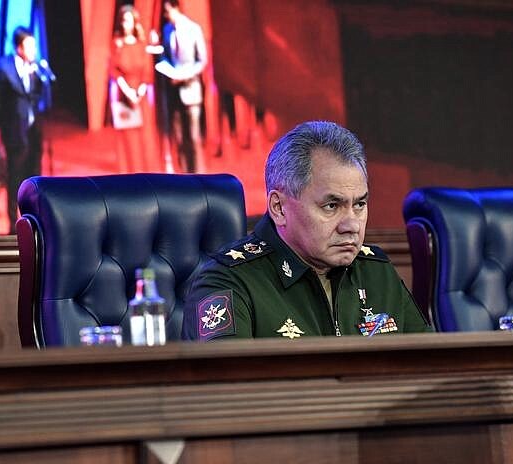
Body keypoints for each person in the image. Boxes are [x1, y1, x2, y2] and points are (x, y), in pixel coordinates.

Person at [182, 120, 432, 340]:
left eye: (359, 204)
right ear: (279, 208)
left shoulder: (376, 272)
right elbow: (229, 389)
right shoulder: (228, 281)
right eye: (332, 206)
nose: (352, 225)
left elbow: (429, 369)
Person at [0, 26, 46, 234]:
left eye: (34, 46)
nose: (33, 51)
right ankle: (12, 223)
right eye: (29, 46)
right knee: (16, 177)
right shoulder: (4, 68)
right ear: (18, 48)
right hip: (15, 132)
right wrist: (6, 130)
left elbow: (38, 96)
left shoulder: (35, 67)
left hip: (34, 129)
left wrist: (39, 78)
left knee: (34, 176)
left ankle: (35, 219)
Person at [109, 5, 160, 173]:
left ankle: (146, 177)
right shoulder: (117, 44)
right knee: (128, 140)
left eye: (129, 20)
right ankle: (130, 176)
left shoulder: (141, 44)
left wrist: (139, 92)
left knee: (144, 139)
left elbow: (147, 72)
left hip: (141, 97)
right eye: (123, 21)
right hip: (124, 96)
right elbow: (114, 71)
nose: (126, 24)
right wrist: (128, 91)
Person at [158, 0, 206, 174]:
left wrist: (185, 76)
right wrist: (167, 69)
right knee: (179, 137)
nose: (166, 16)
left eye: (167, 11)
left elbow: (202, 60)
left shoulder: (193, 29)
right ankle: (184, 175)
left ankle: (199, 175)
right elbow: (165, 57)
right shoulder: (167, 30)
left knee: (193, 137)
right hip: (174, 91)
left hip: (191, 89)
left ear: (176, 8)